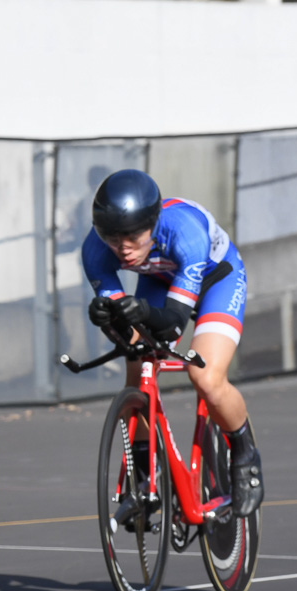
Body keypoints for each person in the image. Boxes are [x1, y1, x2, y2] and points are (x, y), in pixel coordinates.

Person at [82, 168, 263, 517]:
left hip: (216, 279)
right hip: (161, 280)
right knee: (137, 361)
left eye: (132, 236)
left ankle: (245, 454)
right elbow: (127, 336)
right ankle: (145, 470)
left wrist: (143, 312)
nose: (122, 248)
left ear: (153, 222)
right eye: (112, 238)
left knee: (205, 376)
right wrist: (110, 322)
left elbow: (173, 325)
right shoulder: (95, 249)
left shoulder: (186, 233)